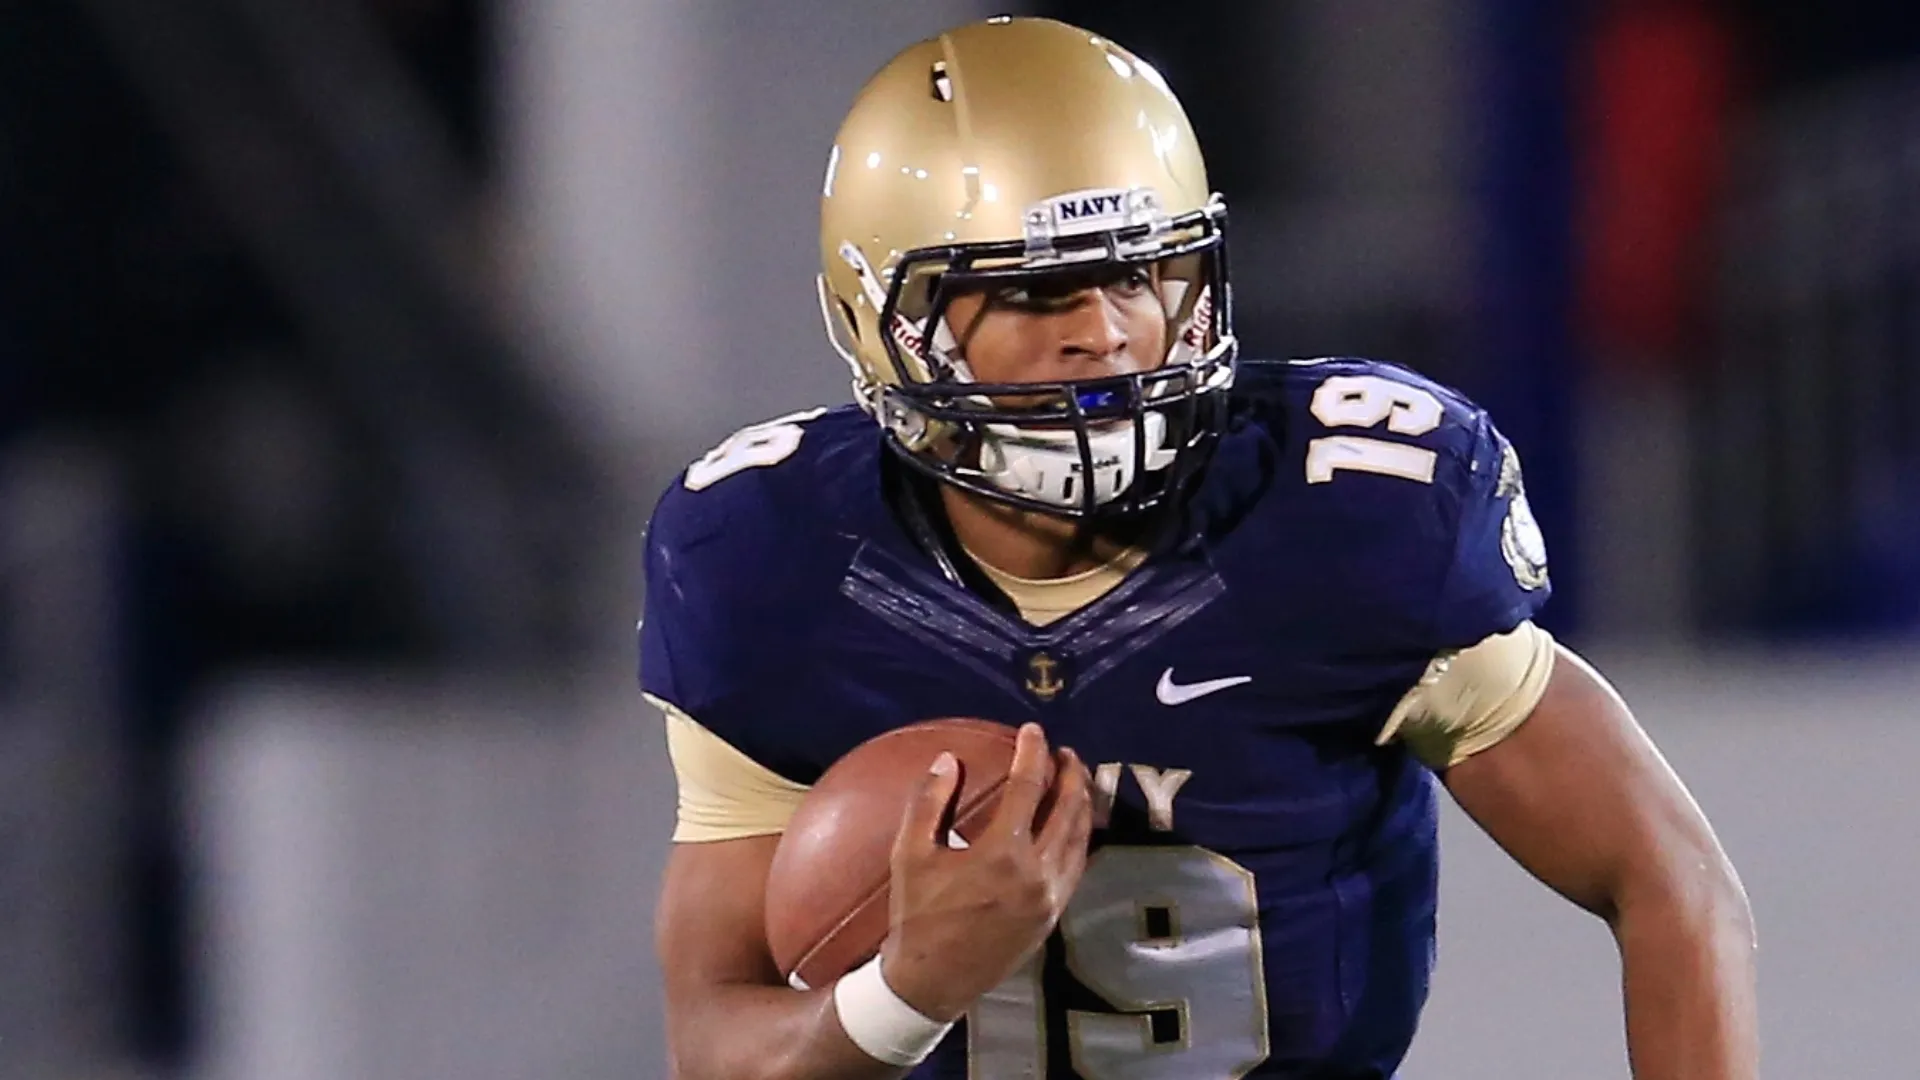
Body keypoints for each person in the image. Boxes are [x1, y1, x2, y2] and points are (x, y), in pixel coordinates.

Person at [640, 16, 1757, 1080]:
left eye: (1138, 273)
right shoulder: (773, 562)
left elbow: (1666, 877)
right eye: (1038, 289)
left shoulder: (1348, 517)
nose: (1109, 329)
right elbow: (717, 1042)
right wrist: (910, 988)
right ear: (883, 319)